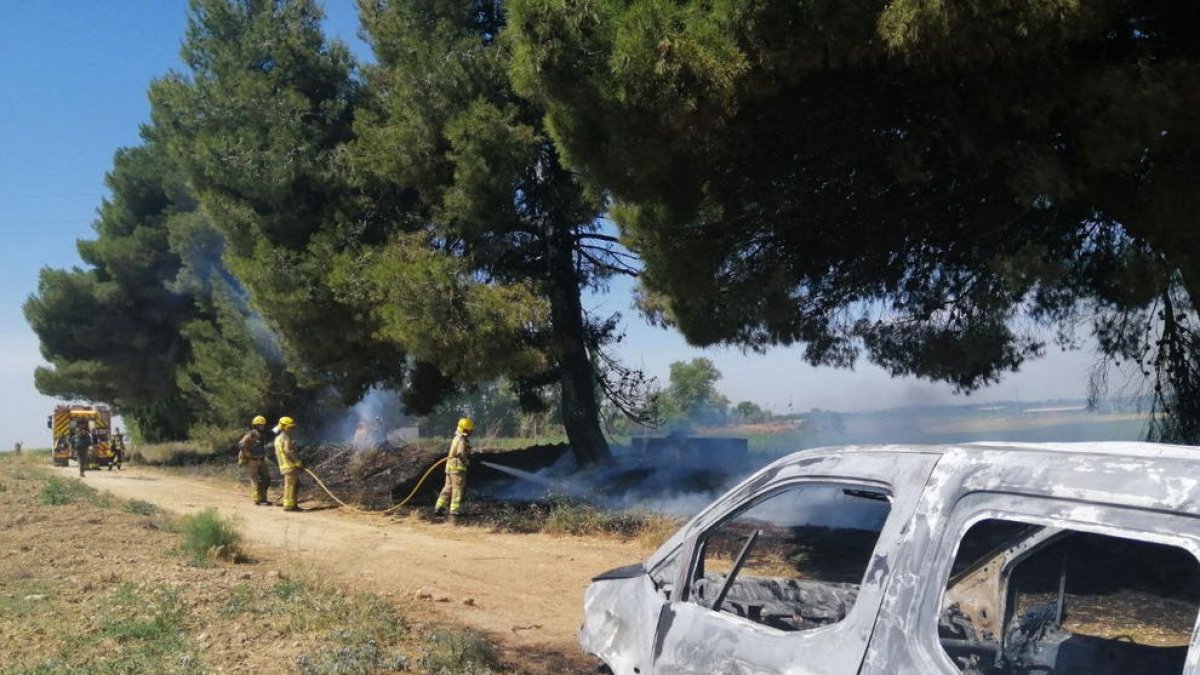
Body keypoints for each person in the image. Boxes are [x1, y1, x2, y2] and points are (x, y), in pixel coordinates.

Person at [434, 417, 474, 518]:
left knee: (448, 486)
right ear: (466, 430)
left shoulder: (456, 437)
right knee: (458, 488)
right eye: (470, 429)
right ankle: (454, 509)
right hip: (457, 467)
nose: (471, 431)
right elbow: (461, 453)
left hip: (450, 465)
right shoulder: (462, 439)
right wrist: (466, 461)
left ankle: (440, 506)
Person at [237, 415, 272, 505]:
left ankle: (264, 499)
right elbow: (241, 444)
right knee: (255, 480)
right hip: (253, 461)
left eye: (263, 425)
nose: (263, 427)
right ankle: (257, 500)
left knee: (266, 479)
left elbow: (272, 433)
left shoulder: (263, 435)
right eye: (261, 425)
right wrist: (247, 453)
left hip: (262, 460)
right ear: (256, 425)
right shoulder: (251, 434)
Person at [273, 416, 302, 512]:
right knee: (290, 486)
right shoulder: (285, 438)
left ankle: (291, 504)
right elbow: (288, 451)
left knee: (290, 485)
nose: (291, 429)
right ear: (284, 427)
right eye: (289, 427)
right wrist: (297, 462)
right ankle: (289, 506)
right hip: (289, 466)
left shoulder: (278, 438)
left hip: (284, 466)